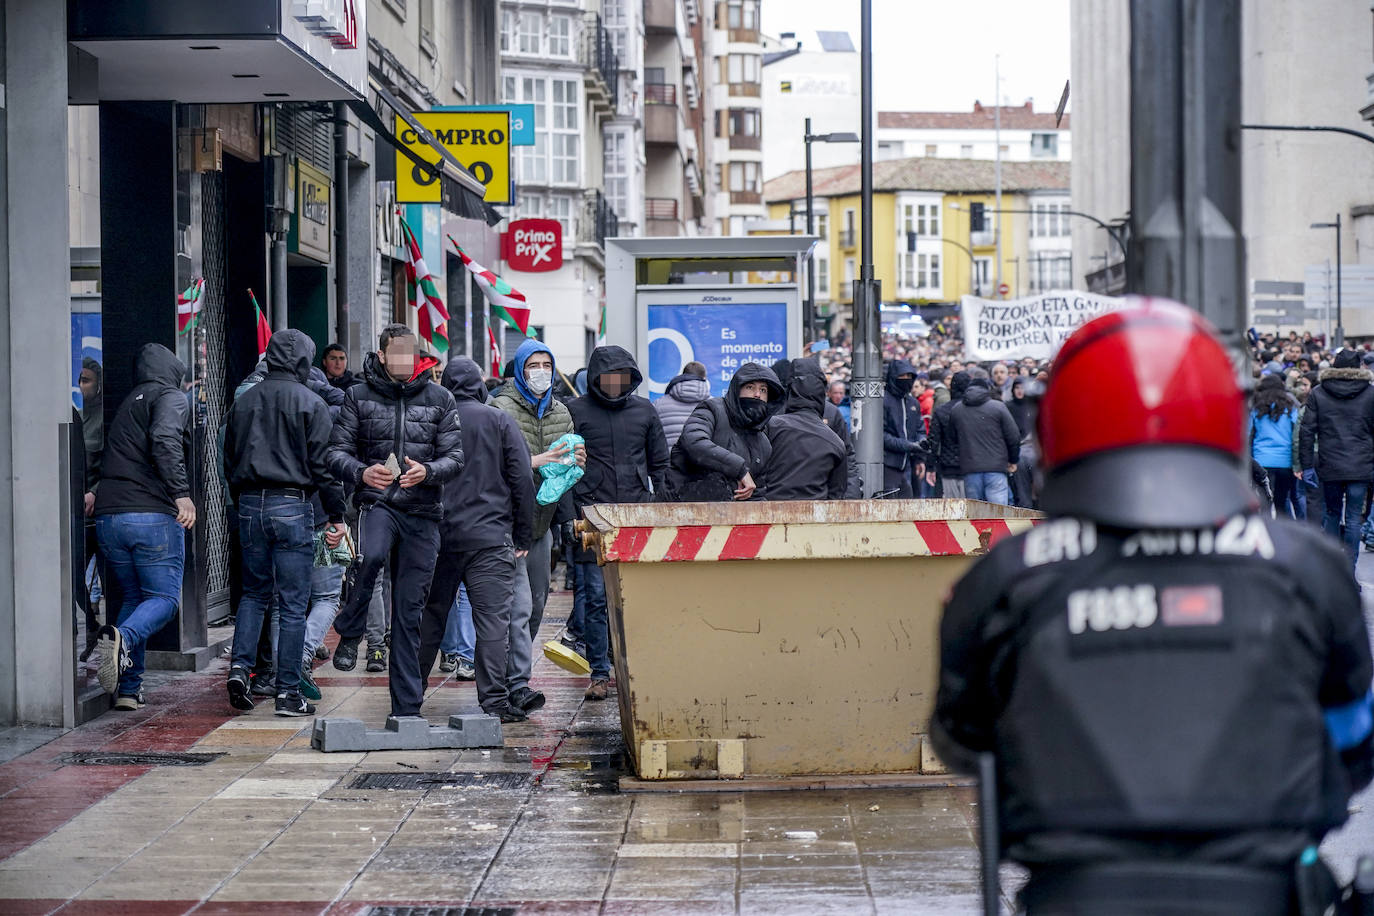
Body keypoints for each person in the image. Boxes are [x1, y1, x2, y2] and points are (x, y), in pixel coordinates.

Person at [934, 301, 1373, 914]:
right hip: (1263, 888)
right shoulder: (1305, 565)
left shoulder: (1008, 576)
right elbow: (1354, 736)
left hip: (1074, 890)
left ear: (1056, 420)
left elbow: (962, 735)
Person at [327, 325, 464, 721]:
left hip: (423, 512)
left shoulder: (441, 398)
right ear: (383, 355)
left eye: (411, 353)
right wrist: (361, 472)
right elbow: (335, 452)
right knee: (370, 558)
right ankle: (351, 627)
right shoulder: (357, 395)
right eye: (396, 353)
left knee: (409, 613)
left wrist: (429, 471)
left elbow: (455, 458)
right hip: (379, 505)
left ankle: (406, 708)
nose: (404, 360)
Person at [223, 330, 347, 716]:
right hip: (293, 503)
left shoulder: (244, 401)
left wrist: (240, 496)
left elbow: (229, 457)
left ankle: (242, 668)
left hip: (248, 502)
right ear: (304, 361)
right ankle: (288, 691)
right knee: (294, 603)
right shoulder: (312, 403)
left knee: (255, 594)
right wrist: (337, 514)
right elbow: (324, 468)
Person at [418, 358, 535, 723]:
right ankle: (494, 703)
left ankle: (409, 697)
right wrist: (522, 533)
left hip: (439, 537)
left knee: (430, 619)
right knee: (492, 624)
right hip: (490, 538)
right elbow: (522, 480)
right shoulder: (498, 420)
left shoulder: (433, 419)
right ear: (480, 384)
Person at [91, 344, 196, 710]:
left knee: (137, 599)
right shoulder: (170, 397)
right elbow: (165, 440)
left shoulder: (128, 403)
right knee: (164, 601)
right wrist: (181, 495)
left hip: (108, 519)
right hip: (150, 515)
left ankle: (127, 690)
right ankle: (121, 637)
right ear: (173, 371)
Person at [569, 346, 669, 701]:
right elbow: (564, 469)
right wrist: (572, 516)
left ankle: (638, 666)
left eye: (621, 378)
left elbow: (661, 464)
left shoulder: (644, 410)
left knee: (638, 597)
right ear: (596, 378)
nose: (614, 385)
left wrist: (659, 507)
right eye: (607, 378)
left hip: (637, 516)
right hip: (591, 518)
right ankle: (600, 672)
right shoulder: (575, 411)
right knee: (596, 600)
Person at [488, 339, 580, 715]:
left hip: (542, 524)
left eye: (547, 365)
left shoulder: (561, 411)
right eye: (533, 366)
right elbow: (492, 464)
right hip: (508, 523)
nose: (541, 372)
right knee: (519, 606)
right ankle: (517, 684)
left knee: (538, 603)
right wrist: (536, 460)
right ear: (520, 370)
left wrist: (573, 461)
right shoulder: (500, 408)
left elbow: (567, 466)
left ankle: (510, 670)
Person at [1300, 347, 1374, 573]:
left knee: (1331, 514)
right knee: (1353, 518)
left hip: (1329, 463)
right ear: (1359, 367)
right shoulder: (1371, 393)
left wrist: (1305, 465)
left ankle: (1333, 569)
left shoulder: (1318, 393)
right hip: (1361, 464)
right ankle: (1349, 571)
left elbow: (1306, 431)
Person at [667, 362, 782, 502]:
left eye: (763, 390)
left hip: (727, 519)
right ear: (737, 389)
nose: (757, 394)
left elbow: (756, 494)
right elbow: (693, 442)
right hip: (681, 509)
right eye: (750, 387)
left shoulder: (763, 444)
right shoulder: (713, 409)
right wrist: (739, 469)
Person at [763, 358, 848, 500]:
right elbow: (837, 493)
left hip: (770, 514)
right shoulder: (835, 442)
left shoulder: (771, 427)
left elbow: (755, 474)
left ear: (790, 390)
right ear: (823, 393)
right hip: (815, 517)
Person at [949, 370, 1020, 506]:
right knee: (998, 515)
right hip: (996, 468)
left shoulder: (957, 410)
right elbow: (1014, 437)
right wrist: (1013, 460)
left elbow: (952, 439)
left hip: (970, 468)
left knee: (976, 516)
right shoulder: (998, 407)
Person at [1249, 374, 1301, 521]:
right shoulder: (1290, 406)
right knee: (1282, 501)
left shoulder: (1256, 406)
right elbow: (1296, 432)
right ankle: (1282, 535)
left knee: (1263, 502)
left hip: (1261, 461)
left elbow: (1248, 433)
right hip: (1285, 461)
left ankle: (1266, 532)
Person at [882, 359, 926, 498]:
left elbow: (920, 429)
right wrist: (908, 445)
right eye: (902, 376)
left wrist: (919, 456)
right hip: (888, 465)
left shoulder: (913, 402)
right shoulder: (883, 400)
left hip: (909, 464)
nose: (906, 380)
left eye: (910, 377)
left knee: (910, 507)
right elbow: (880, 435)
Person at [927, 371, 971, 498]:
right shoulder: (975, 410)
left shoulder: (942, 410)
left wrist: (930, 467)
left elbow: (933, 441)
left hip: (948, 466)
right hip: (971, 465)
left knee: (953, 509)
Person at [655, 361, 711, 451]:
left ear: (683, 376)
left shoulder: (658, 404)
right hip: (702, 462)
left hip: (669, 461)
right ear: (704, 378)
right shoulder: (714, 404)